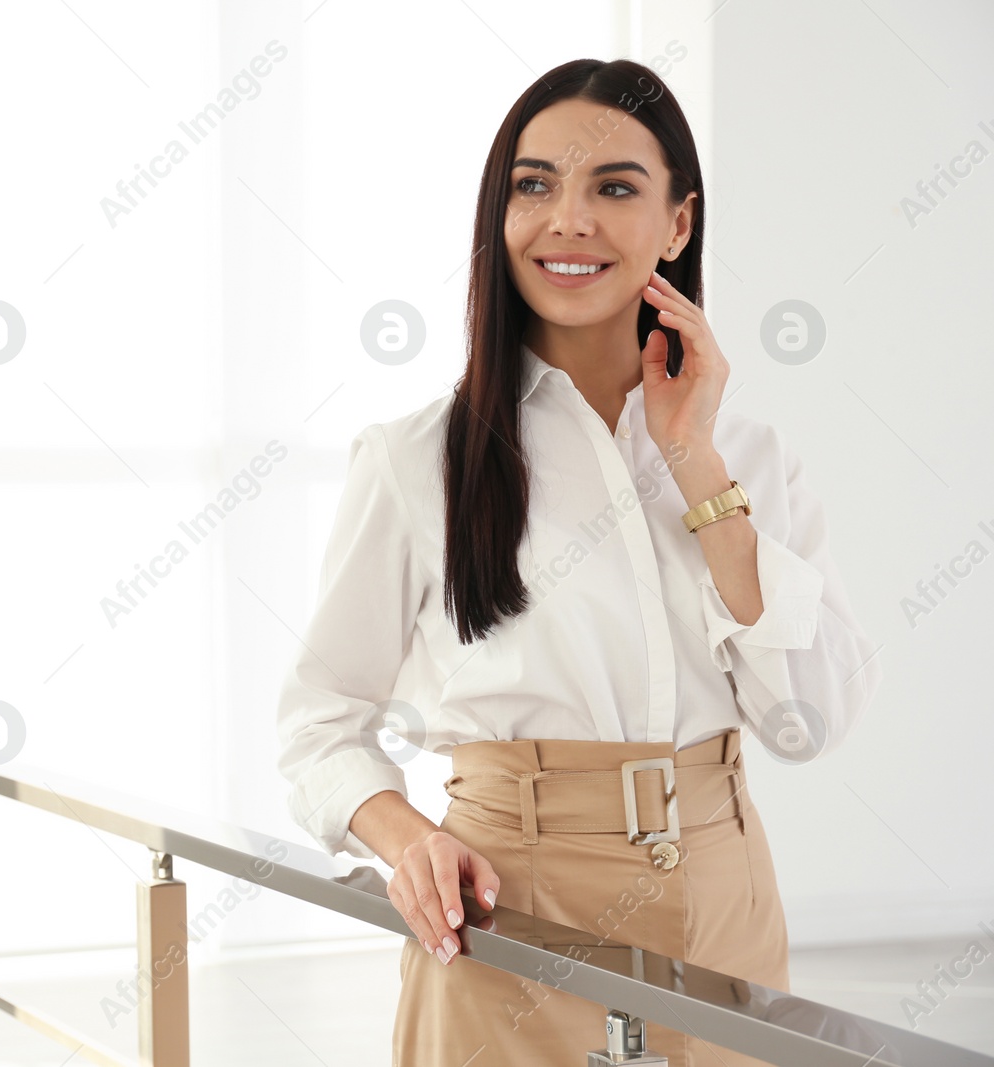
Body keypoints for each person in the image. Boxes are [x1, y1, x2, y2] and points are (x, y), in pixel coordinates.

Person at [273, 57, 883, 1066]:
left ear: (677, 225)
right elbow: (316, 721)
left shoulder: (753, 459)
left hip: (724, 898)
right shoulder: (415, 458)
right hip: (507, 907)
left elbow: (810, 722)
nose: (567, 220)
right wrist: (404, 838)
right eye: (533, 184)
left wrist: (697, 469)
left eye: (613, 188)